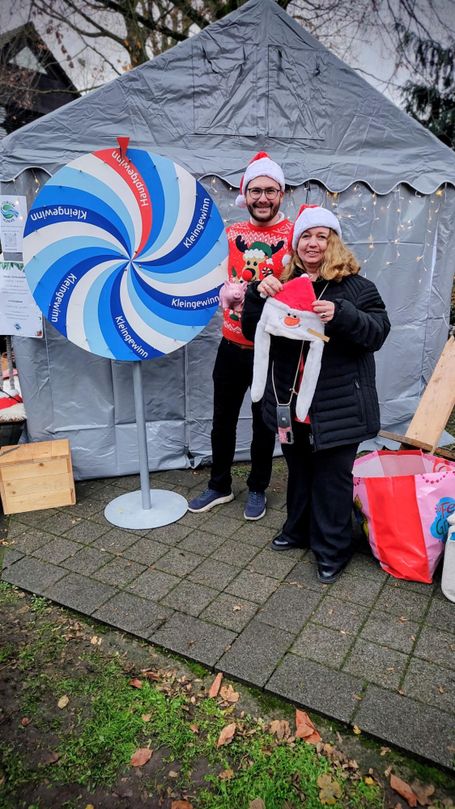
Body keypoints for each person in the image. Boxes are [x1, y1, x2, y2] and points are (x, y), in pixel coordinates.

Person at [241, 204, 390, 582]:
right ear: (295, 244)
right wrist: (258, 296)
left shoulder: (358, 287)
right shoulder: (282, 281)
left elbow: (378, 332)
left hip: (338, 406)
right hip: (290, 404)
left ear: (334, 243)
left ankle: (333, 549)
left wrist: (342, 314)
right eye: (305, 236)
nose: (312, 243)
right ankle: (299, 529)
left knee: (332, 477)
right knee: (300, 470)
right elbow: (250, 331)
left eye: (321, 236)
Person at [188, 152, 293, 519]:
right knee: (223, 421)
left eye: (270, 191)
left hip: (272, 349)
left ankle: (258, 488)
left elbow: (306, 288)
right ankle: (219, 485)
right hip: (231, 346)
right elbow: (216, 277)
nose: (263, 198)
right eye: (256, 191)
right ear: (244, 193)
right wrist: (224, 293)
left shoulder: (295, 235)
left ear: (281, 193)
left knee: (264, 424)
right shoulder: (231, 235)